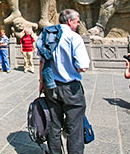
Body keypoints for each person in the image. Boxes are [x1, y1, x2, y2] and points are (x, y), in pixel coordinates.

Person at [37, 9, 90, 154]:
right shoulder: (74, 37)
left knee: (54, 125)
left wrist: (41, 83)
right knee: (74, 127)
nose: (78, 24)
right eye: (77, 22)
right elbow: (83, 67)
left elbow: (41, 62)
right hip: (70, 88)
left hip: (50, 86)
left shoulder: (47, 35)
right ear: (70, 21)